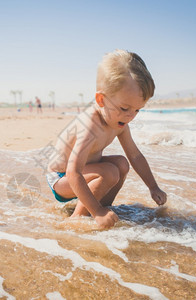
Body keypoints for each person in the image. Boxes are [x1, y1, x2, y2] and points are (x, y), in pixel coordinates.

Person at [46, 50, 167, 229]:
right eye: (125, 108)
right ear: (101, 99)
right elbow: (73, 172)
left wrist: (153, 187)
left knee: (121, 163)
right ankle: (79, 218)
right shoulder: (89, 126)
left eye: (137, 110)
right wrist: (97, 212)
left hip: (83, 173)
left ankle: (104, 207)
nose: (130, 116)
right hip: (63, 178)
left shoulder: (120, 122)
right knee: (109, 172)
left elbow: (135, 156)